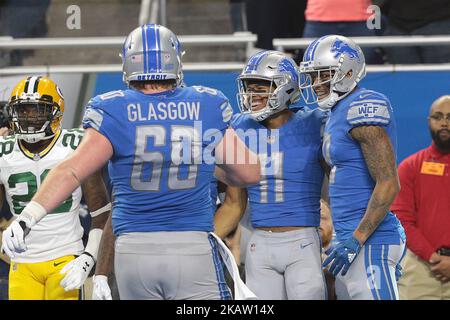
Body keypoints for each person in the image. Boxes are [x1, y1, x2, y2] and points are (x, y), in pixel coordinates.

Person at [2, 24, 260, 300]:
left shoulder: (111, 108)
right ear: (175, 60)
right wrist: (203, 161)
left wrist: (27, 218)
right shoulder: (206, 103)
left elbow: (71, 170)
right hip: (190, 244)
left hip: (132, 250)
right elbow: (249, 172)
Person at [299, 35, 405, 300]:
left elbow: (388, 182)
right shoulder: (336, 111)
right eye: (312, 76)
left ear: (347, 70)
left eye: (322, 74)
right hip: (348, 239)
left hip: (368, 241)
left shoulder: (363, 105)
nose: (315, 83)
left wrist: (358, 237)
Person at [223, 50, 328, 300]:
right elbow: (234, 201)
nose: (253, 95)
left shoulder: (315, 122)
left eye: (262, 87)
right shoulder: (239, 126)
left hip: (303, 239)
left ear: (286, 89)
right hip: (259, 241)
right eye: (249, 88)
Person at [0, 76, 111, 300]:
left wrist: (89, 257)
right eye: (22, 111)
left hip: (65, 256)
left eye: (36, 110)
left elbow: (101, 214)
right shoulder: (4, 150)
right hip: (22, 262)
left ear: (56, 112)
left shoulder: (75, 144)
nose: (28, 117)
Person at [391, 95, 450, 299]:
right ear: (429, 122)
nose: (444, 122)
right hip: (420, 270)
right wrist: (433, 257)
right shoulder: (410, 167)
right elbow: (402, 219)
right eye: (438, 116)